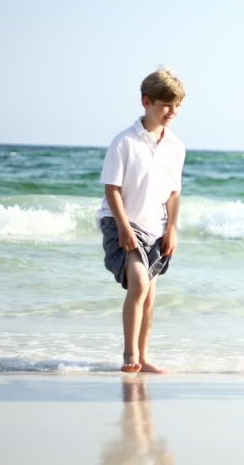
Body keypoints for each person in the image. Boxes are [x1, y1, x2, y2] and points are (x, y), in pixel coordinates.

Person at [98, 68, 186, 373]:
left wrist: (172, 229)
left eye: (177, 105)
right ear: (145, 101)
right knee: (138, 283)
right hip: (121, 221)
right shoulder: (124, 142)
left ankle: (144, 356)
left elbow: (174, 193)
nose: (172, 111)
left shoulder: (176, 146)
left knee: (149, 294)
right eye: (165, 104)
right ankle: (129, 355)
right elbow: (112, 188)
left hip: (156, 226)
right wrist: (123, 227)